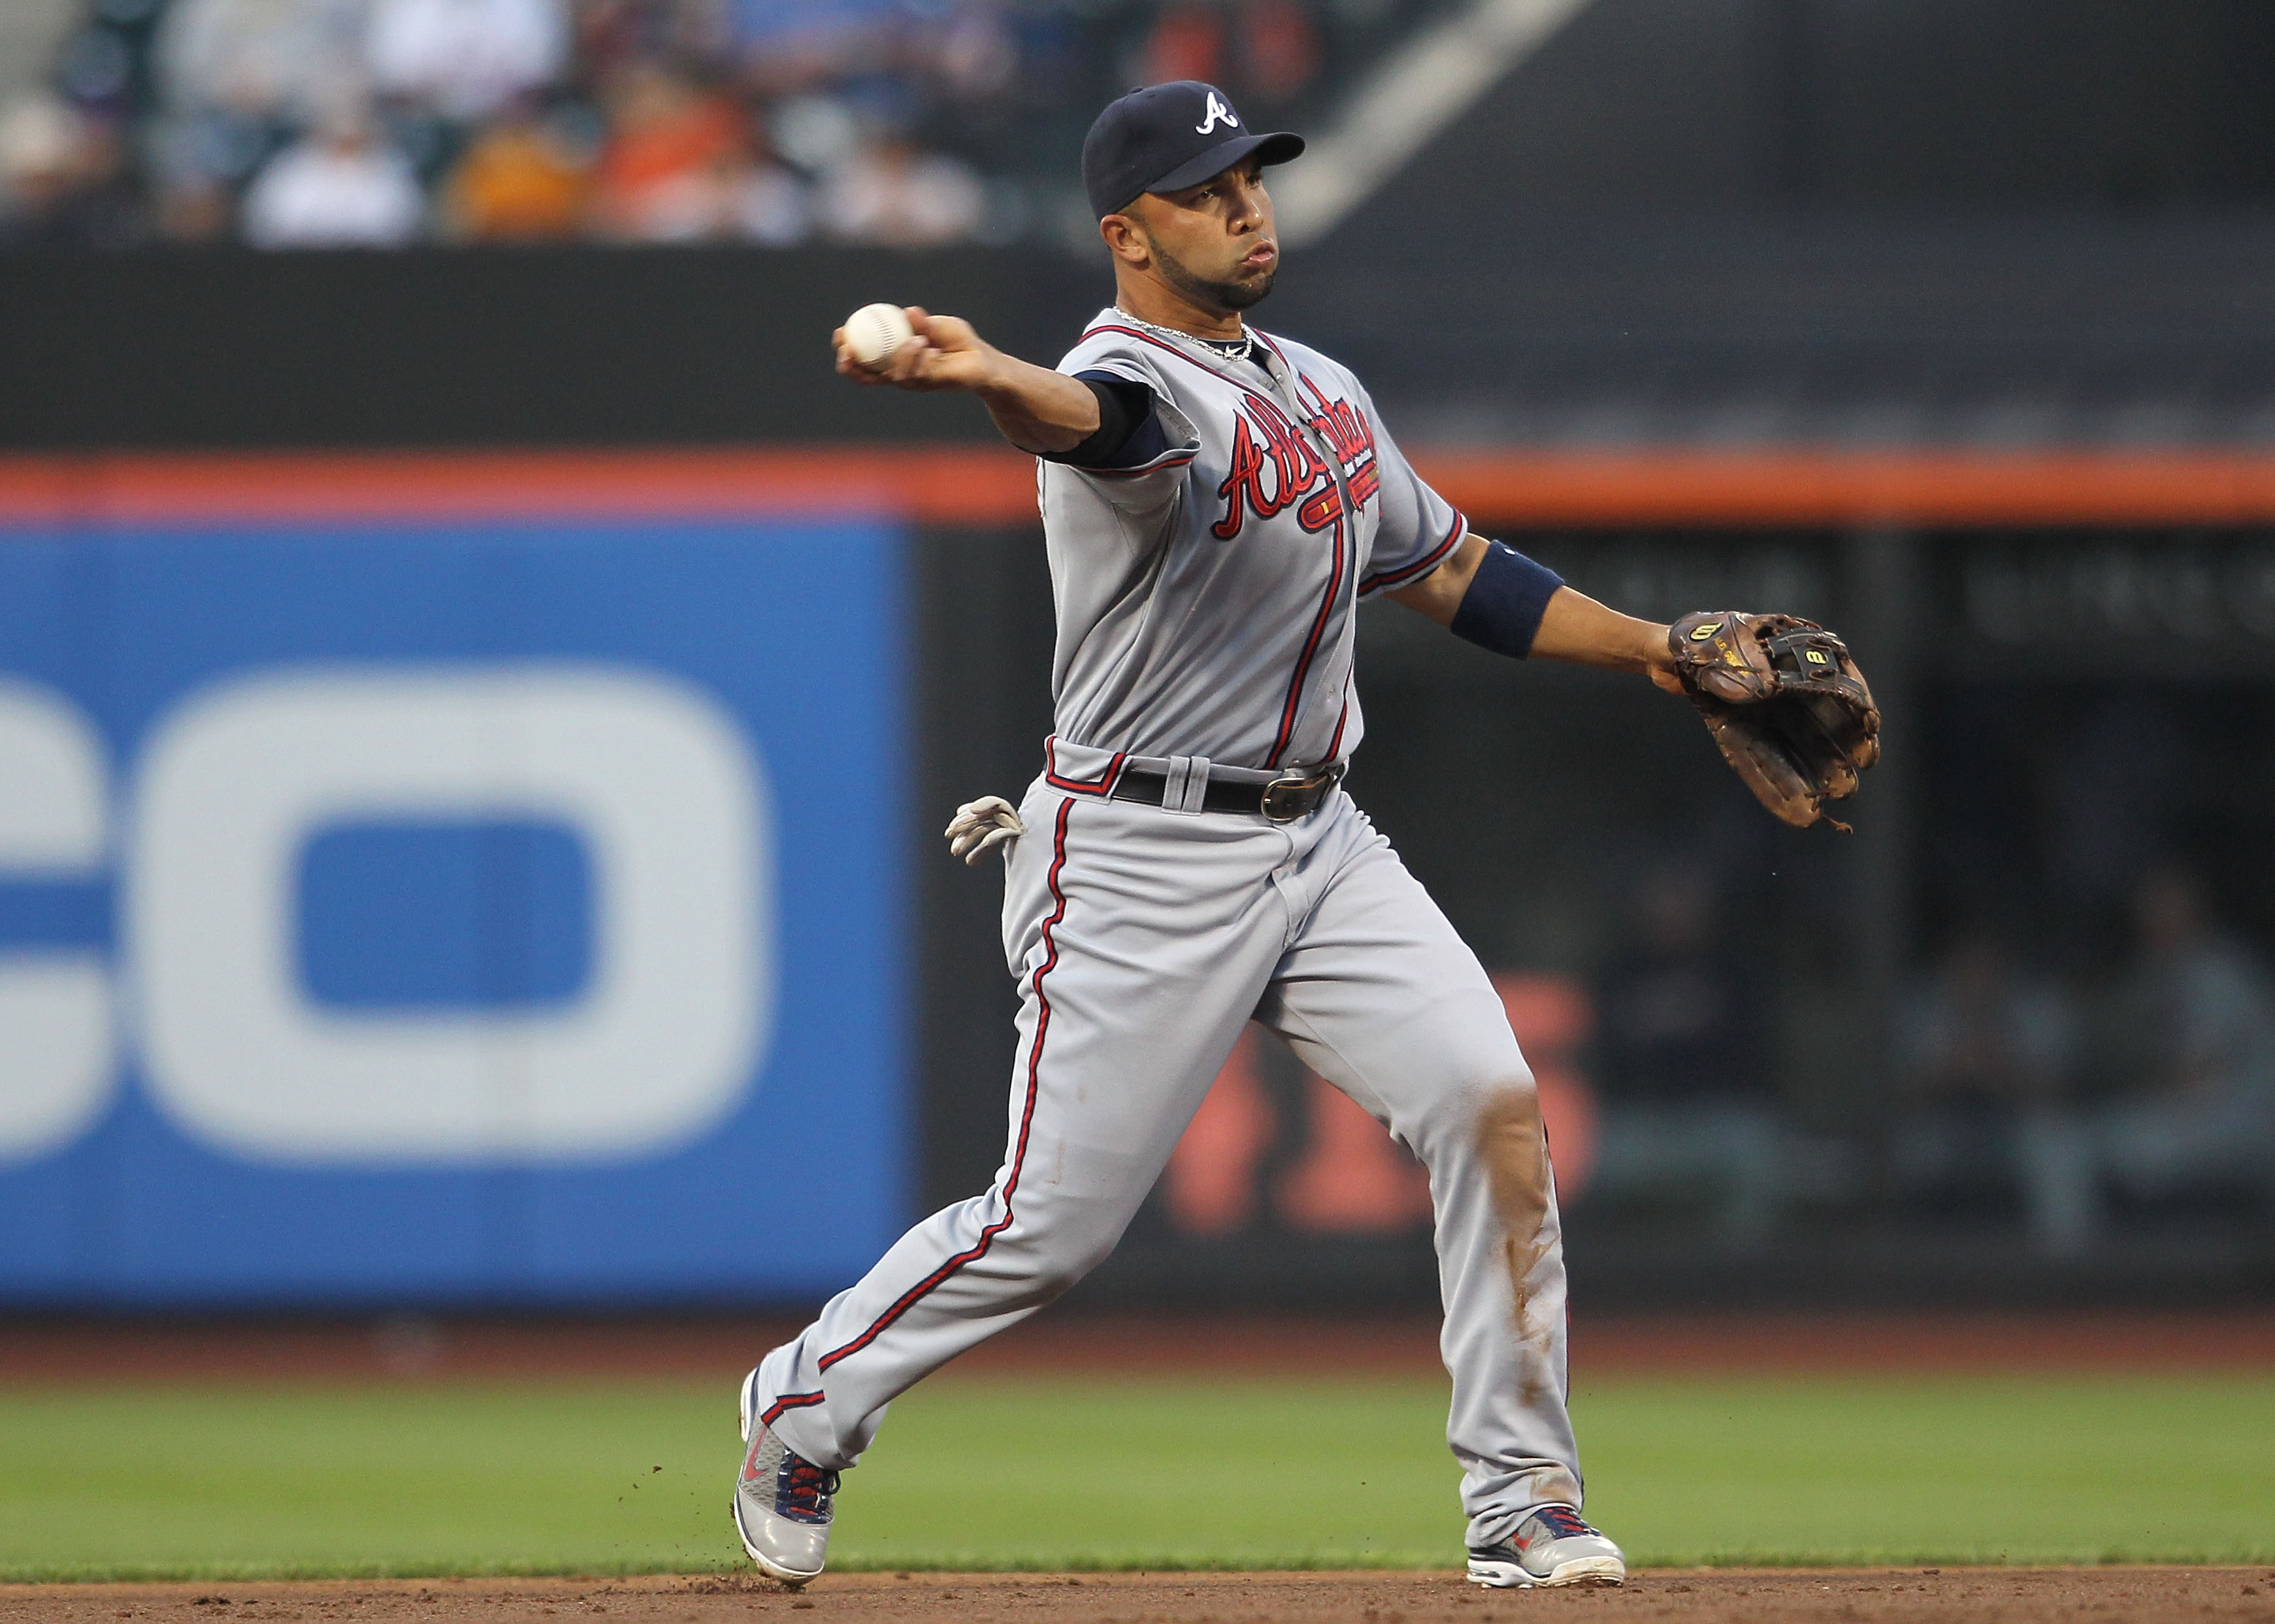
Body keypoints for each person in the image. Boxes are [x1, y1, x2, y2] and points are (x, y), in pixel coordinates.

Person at [732, 80, 1774, 1594]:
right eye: (1208, 187)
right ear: (1126, 233)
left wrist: (1661, 652)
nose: (1246, 204)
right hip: (1137, 854)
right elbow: (1098, 427)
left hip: (1320, 838)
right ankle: (803, 1400)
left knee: (1489, 1104)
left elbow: (1456, 569)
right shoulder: (1120, 377)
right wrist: (983, 372)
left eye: (1253, 176)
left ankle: (1521, 1497)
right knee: (1050, 1230)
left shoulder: (1320, 387)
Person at [2020, 865, 2275, 1249]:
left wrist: (2105, 1085)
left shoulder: (2223, 973)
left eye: (2165, 907)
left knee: (2126, 1146)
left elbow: (2194, 1076)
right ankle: (2067, 1274)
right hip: (2178, 1119)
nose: (2154, 918)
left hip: (2237, 1121)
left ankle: (2098, 1276)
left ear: (2194, 910)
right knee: (2053, 1141)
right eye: (2149, 908)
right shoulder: (2149, 976)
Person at [1586, 862, 1782, 1254]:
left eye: (1684, 899)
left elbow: (1757, 1057)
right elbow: (1604, 1060)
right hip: (1643, 1122)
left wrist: (1683, 1025)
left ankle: (1739, 1279)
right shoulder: (1619, 973)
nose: (1673, 911)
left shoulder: (1734, 970)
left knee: (1757, 1154)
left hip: (1718, 1118)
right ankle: (1617, 1289)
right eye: (1664, 899)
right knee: (1596, 1168)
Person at [1890, 926, 2080, 1254]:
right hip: (1940, 1126)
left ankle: (2066, 1267)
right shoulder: (1923, 1008)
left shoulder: (2036, 1007)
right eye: (1966, 966)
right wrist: (1949, 1071)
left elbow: (2062, 1092)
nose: (1978, 978)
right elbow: (1895, 1095)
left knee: (2056, 1148)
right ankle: (1902, 1268)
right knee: (1904, 1154)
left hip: (2016, 1126)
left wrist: (2001, 1067)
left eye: (1988, 966)